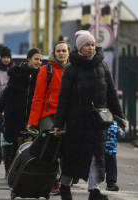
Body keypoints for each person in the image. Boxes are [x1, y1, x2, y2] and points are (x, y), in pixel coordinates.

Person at [53, 30, 124, 200]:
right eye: (87, 45)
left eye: (93, 44)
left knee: (96, 155)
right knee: (74, 155)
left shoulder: (103, 65)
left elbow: (111, 93)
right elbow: (64, 98)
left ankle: (94, 190)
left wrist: (120, 118)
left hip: (99, 119)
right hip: (77, 119)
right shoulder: (71, 69)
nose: (91, 48)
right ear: (79, 48)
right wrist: (58, 123)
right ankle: (65, 186)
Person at [27, 42, 70, 194]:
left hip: (67, 116)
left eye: (64, 51)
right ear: (54, 52)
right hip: (47, 115)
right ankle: (54, 180)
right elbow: (37, 97)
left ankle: (66, 180)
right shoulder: (47, 69)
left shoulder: (74, 70)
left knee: (66, 148)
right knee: (50, 146)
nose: (61, 53)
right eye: (58, 51)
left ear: (68, 53)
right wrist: (32, 121)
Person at [0, 48, 43, 174]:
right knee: (12, 144)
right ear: (29, 59)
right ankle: (10, 172)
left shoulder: (42, 75)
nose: (39, 62)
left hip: (32, 116)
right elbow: (7, 93)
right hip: (14, 114)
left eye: (40, 60)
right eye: (36, 59)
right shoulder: (17, 73)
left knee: (30, 145)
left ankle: (25, 172)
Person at [105, 120, 125, 191]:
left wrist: (121, 133)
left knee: (112, 168)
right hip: (101, 151)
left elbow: (120, 136)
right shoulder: (100, 121)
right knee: (97, 168)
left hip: (112, 152)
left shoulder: (115, 124)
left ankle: (111, 184)